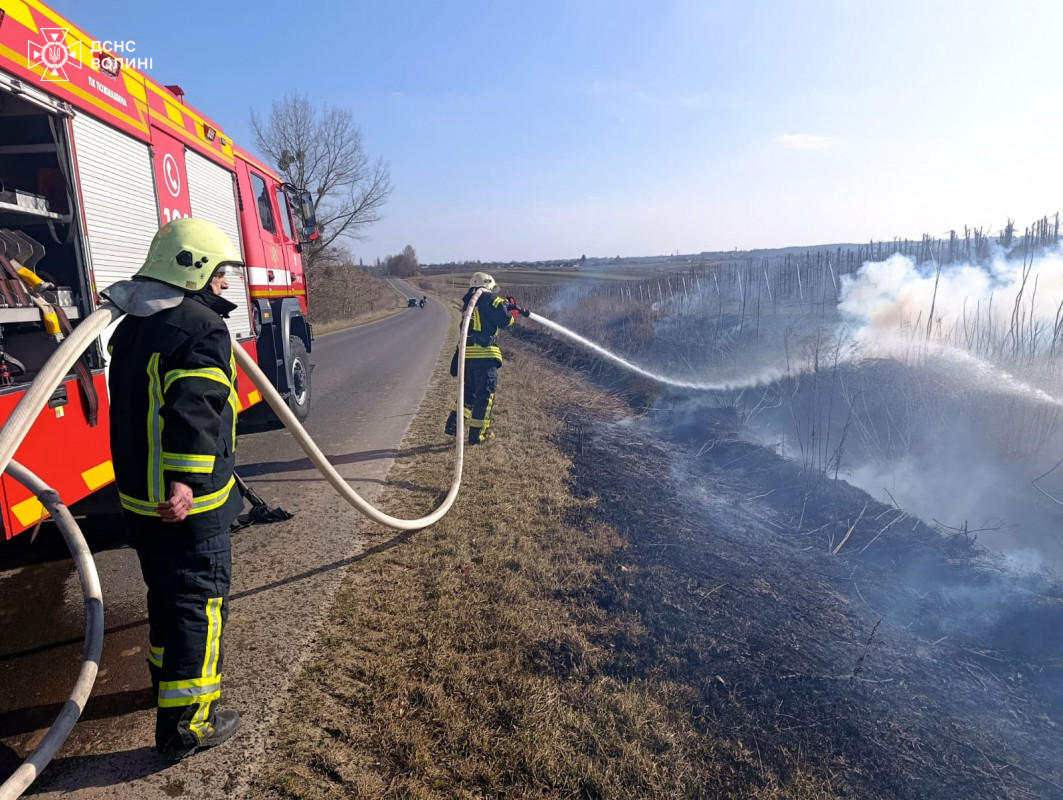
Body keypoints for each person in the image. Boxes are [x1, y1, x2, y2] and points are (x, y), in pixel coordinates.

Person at [107, 217, 244, 762]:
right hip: (188, 507)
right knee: (197, 605)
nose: (225, 283)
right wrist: (185, 482)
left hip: (141, 504)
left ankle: (163, 688)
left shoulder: (133, 325)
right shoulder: (200, 327)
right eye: (220, 272)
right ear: (195, 269)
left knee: (164, 598)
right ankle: (188, 725)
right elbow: (194, 408)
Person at [444, 272, 526, 444]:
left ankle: (454, 424)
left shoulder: (469, 303)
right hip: (485, 356)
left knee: (468, 393)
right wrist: (512, 312)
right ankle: (477, 435)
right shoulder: (490, 299)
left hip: (468, 357)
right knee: (484, 396)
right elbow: (504, 321)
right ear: (487, 284)